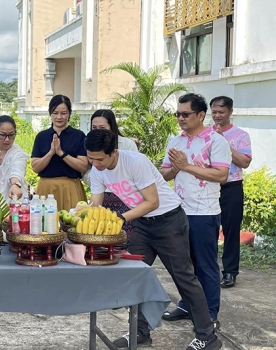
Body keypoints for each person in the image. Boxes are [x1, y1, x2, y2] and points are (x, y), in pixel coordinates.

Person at [85, 129, 222, 350]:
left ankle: (208, 336)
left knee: (184, 279)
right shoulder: (97, 171)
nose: (96, 163)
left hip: (169, 221)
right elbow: (96, 205)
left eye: (100, 159)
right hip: (141, 224)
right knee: (133, 276)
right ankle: (140, 333)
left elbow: (152, 202)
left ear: (114, 152)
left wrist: (119, 219)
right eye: (91, 159)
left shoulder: (135, 162)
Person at [160, 93, 231, 328]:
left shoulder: (216, 141)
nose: (180, 118)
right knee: (183, 264)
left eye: (185, 114)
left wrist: (186, 166)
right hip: (177, 210)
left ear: (201, 115)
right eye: (178, 114)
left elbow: (221, 175)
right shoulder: (175, 141)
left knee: (205, 264)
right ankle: (186, 304)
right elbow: (166, 173)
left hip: (204, 212)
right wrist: (173, 169)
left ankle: (209, 311)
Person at [210, 96, 252, 288]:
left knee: (231, 230)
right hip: (209, 186)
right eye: (214, 112)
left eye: (221, 112)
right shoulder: (205, 133)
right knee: (207, 229)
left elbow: (244, 162)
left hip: (232, 187)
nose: (217, 116)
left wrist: (223, 141)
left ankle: (229, 272)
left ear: (230, 112)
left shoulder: (240, 135)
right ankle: (208, 269)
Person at [82, 109, 139, 239]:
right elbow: (87, 172)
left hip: (126, 198)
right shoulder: (90, 146)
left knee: (126, 238)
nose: (97, 131)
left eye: (102, 127)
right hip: (102, 197)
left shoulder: (127, 145)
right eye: (94, 128)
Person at [30, 94, 88, 212]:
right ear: (50, 113)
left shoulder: (79, 136)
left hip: (71, 187)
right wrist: (51, 152)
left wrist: (61, 153)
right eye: (55, 113)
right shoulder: (42, 136)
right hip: (46, 188)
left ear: (69, 114)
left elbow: (83, 166)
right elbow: (35, 167)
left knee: (72, 226)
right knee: (45, 227)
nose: (59, 117)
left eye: (63, 113)